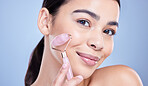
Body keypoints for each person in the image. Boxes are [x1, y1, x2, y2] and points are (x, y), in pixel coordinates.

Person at [25, 0, 143, 86]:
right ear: (45, 22)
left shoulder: (121, 81)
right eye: (84, 22)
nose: (98, 43)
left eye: (108, 31)